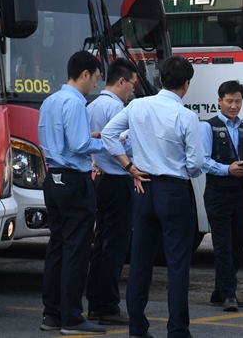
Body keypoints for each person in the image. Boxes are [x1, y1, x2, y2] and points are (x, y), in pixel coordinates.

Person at [102, 55, 204, 338]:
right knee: (177, 265)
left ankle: (137, 328)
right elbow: (195, 165)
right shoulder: (186, 116)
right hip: (174, 191)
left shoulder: (137, 105)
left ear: (160, 79)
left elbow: (109, 134)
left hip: (143, 186)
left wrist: (129, 166)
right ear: (186, 84)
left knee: (140, 262)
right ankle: (177, 331)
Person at [38, 50, 106, 336]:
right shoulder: (76, 104)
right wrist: (110, 145)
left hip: (53, 179)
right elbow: (79, 145)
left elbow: (55, 138)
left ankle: (52, 313)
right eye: (95, 79)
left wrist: (89, 138)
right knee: (77, 250)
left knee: (57, 246)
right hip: (75, 182)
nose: (96, 86)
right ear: (85, 74)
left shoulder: (50, 100)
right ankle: (72, 318)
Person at [85, 58, 140, 326]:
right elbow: (124, 147)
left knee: (100, 245)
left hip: (99, 179)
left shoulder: (91, 105)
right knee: (115, 247)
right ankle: (108, 305)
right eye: (131, 83)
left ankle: (95, 303)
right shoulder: (119, 109)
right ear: (121, 81)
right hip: (118, 181)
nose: (132, 89)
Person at [200, 80, 243, 312]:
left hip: (241, 191)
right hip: (218, 192)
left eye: (238, 101)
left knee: (238, 244)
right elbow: (203, 160)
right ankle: (229, 294)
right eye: (229, 101)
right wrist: (226, 170)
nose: (234, 106)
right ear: (219, 101)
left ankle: (219, 291)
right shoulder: (208, 127)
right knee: (223, 245)